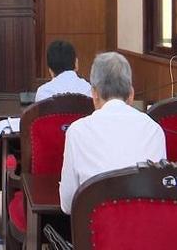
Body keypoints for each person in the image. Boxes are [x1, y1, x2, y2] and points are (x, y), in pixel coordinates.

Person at [59, 52, 166, 214]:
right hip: (144, 227)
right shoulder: (154, 130)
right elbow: (160, 194)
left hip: (95, 229)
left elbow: (68, 205)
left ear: (94, 94)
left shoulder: (77, 132)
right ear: (131, 94)